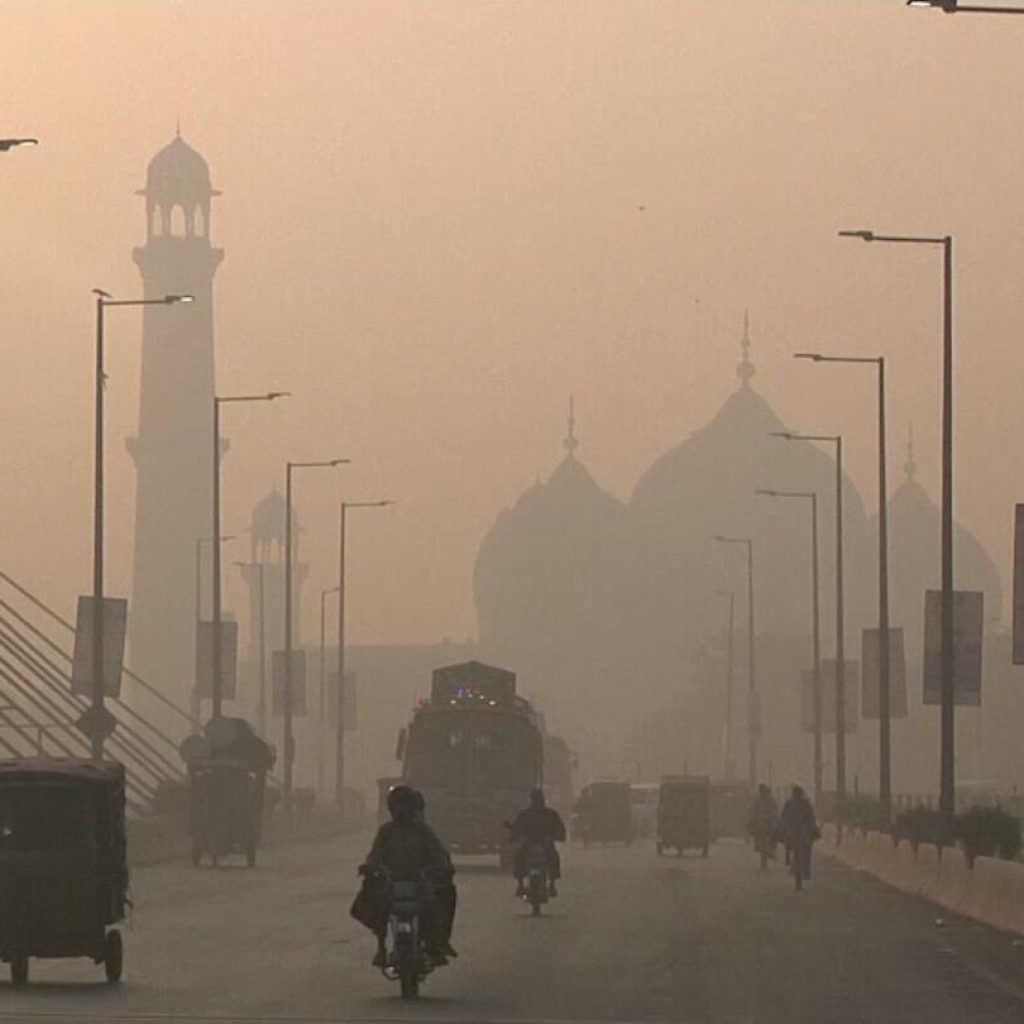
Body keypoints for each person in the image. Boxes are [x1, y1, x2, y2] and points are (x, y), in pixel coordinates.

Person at [351, 785, 456, 968]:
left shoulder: (423, 831)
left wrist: (441, 868)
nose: (402, 811)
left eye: (405, 806)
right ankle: (382, 946)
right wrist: (370, 868)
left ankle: (437, 944)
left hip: (420, 882)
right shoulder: (386, 832)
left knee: (443, 898)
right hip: (391, 882)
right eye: (398, 807)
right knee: (372, 904)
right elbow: (375, 855)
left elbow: (438, 854)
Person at [508, 789, 567, 897]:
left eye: (538, 800)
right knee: (519, 857)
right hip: (529, 846)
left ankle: (552, 884)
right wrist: (515, 836)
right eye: (535, 800)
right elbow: (516, 828)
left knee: (553, 857)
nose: (537, 802)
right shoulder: (525, 815)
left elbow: (560, 829)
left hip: (545, 845)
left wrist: (555, 837)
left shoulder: (550, 815)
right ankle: (520, 885)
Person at [776, 785, 819, 884]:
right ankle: (804, 871)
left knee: (790, 844)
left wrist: (781, 828)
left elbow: (783, 818)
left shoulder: (790, 804)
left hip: (795, 832)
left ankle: (788, 859)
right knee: (806, 850)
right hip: (801, 833)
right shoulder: (805, 804)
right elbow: (811, 819)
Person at [747, 784, 779, 869]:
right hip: (761, 824)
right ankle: (765, 854)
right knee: (759, 840)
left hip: (767, 824)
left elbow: (775, 811)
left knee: (772, 838)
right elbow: (752, 810)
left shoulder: (770, 799)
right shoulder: (758, 799)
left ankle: (770, 851)